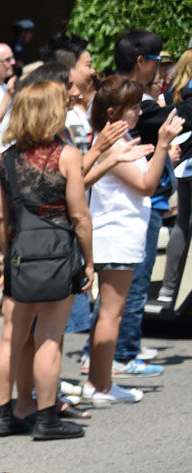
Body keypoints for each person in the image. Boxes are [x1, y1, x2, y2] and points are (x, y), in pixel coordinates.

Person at [0, 81, 94, 440]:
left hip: (20, 254)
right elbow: (79, 216)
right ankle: (47, 419)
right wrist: (90, 262)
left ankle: (4, 416)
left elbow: (2, 219)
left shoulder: (5, 159)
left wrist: (8, 257)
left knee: (11, 337)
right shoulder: (66, 155)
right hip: (58, 254)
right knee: (50, 337)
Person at [82, 77, 183, 405]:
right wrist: (165, 144)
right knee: (112, 313)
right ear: (113, 111)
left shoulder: (118, 137)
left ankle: (99, 382)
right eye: (134, 107)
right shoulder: (110, 142)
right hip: (116, 235)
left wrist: (162, 152)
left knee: (110, 313)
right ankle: (103, 385)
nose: (140, 112)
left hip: (121, 234)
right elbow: (145, 185)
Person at [158, 51, 192, 309]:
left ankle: (168, 289)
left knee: (182, 225)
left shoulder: (173, 93)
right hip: (187, 165)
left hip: (182, 168)